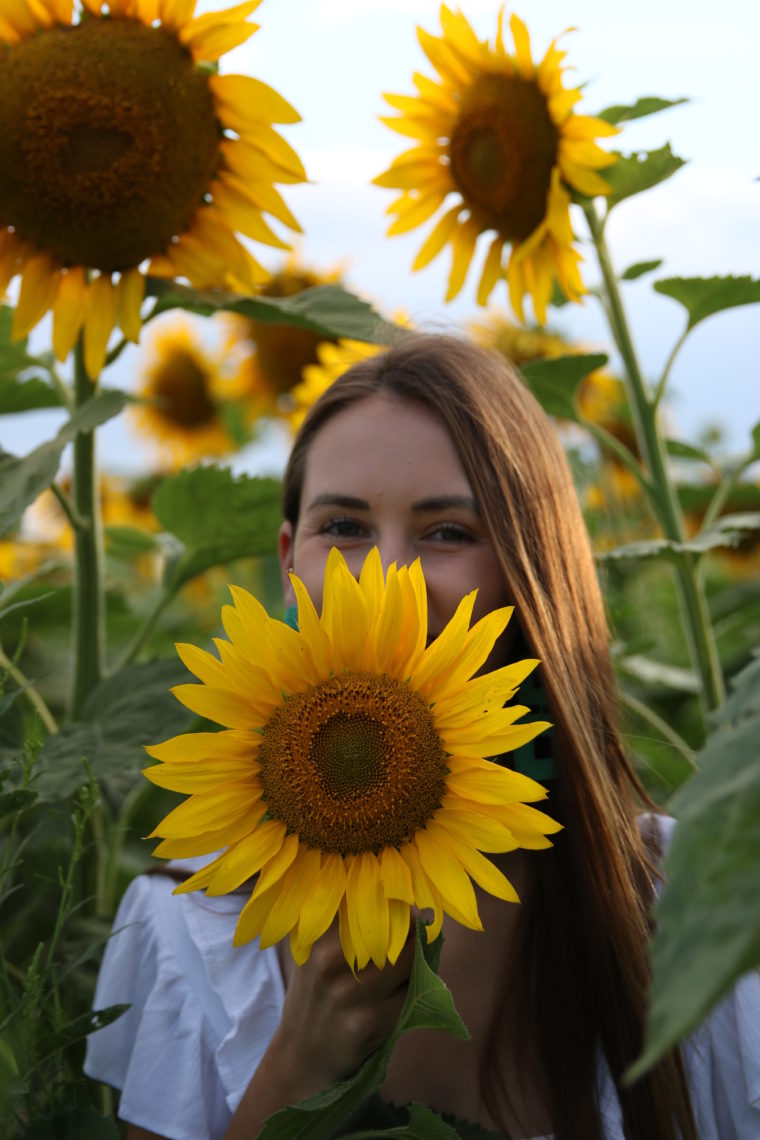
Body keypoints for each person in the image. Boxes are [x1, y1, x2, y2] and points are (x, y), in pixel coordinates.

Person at [85, 333, 760, 1140]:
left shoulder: (698, 910)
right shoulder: (187, 928)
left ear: (530, 568)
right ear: (288, 561)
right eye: (343, 526)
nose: (388, 578)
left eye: (447, 533)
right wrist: (296, 1067)